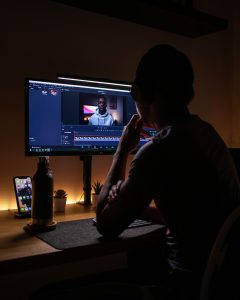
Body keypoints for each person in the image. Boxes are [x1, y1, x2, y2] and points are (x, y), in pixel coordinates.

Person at [95, 44, 240, 299]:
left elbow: (106, 223)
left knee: (48, 293)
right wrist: (135, 205)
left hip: (182, 287)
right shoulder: (207, 133)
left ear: (143, 92)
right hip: (219, 285)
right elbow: (196, 213)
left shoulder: (157, 150)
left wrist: (122, 148)